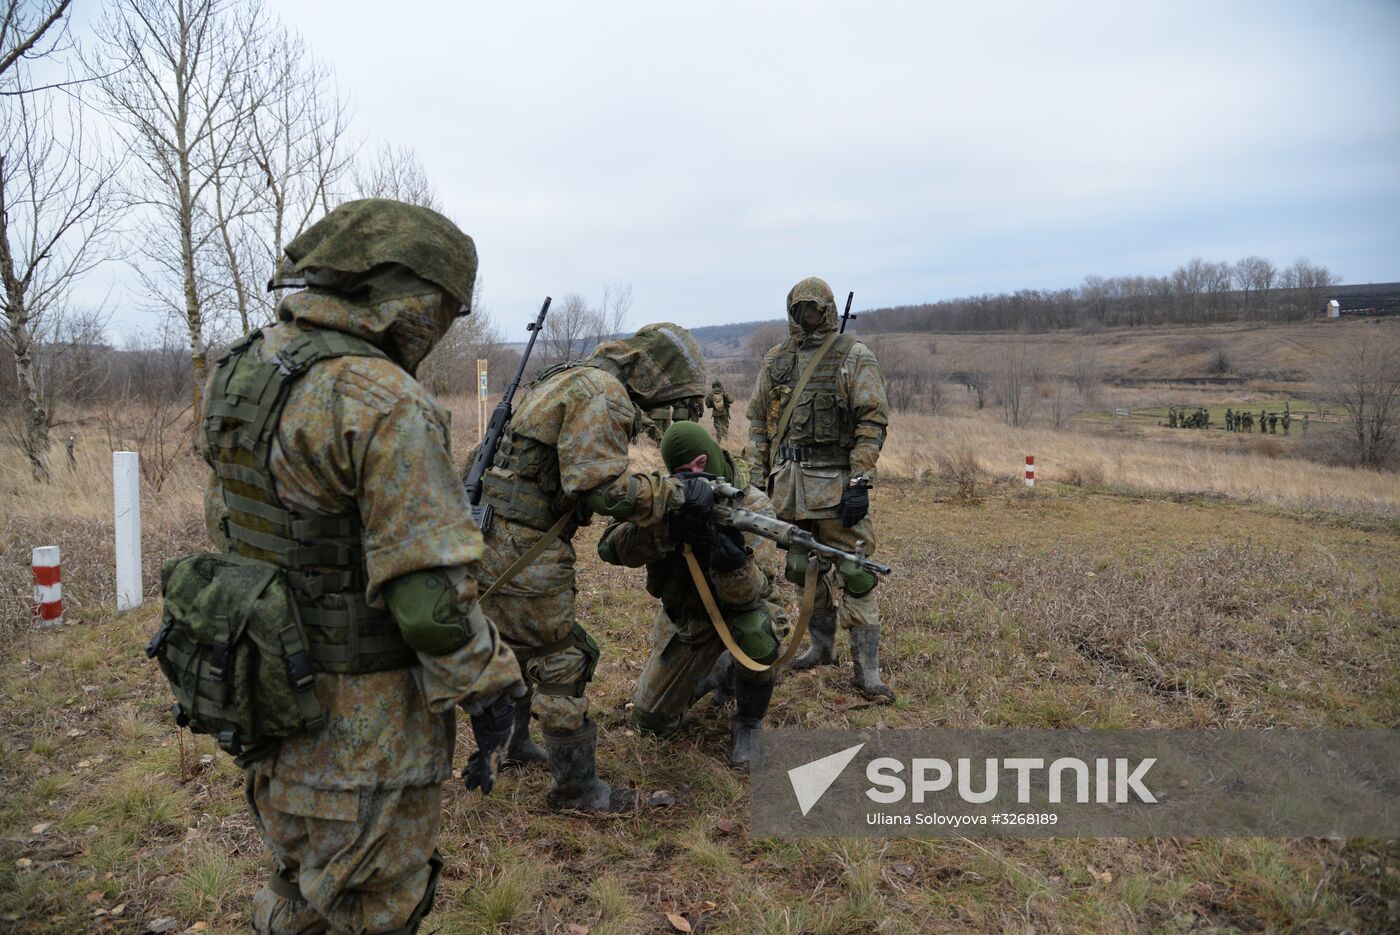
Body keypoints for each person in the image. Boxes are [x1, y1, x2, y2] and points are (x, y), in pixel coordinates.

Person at [198, 199, 525, 935]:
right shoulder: (382, 400)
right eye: (442, 309)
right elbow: (429, 605)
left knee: (294, 886)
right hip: (364, 732)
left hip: (269, 695)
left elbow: (231, 525)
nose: (438, 327)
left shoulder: (244, 371)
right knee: (376, 905)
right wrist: (493, 683)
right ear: (404, 298)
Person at [471, 322, 707, 811]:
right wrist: (676, 493)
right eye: (672, 395)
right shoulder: (603, 393)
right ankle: (576, 791)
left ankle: (512, 745)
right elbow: (600, 489)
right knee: (561, 658)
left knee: (513, 643)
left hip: (489, 532)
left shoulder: (566, 376)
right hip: (525, 542)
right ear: (655, 376)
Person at [597, 422, 786, 769]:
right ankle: (717, 670)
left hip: (740, 613)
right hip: (690, 620)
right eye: (685, 471)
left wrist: (731, 564)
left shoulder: (753, 503)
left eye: (702, 464)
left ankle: (748, 723)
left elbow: (755, 592)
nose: (697, 475)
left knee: (760, 632)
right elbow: (610, 547)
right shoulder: (667, 493)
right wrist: (666, 528)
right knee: (651, 721)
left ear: (712, 454)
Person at [747, 276, 893, 701]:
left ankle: (868, 671)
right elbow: (758, 423)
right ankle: (820, 647)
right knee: (801, 568)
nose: (807, 316)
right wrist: (757, 481)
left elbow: (872, 421)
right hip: (787, 488)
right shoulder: (776, 360)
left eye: (814, 308)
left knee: (856, 572)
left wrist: (861, 480)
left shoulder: (853, 357)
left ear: (827, 310)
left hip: (835, 489)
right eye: (800, 309)